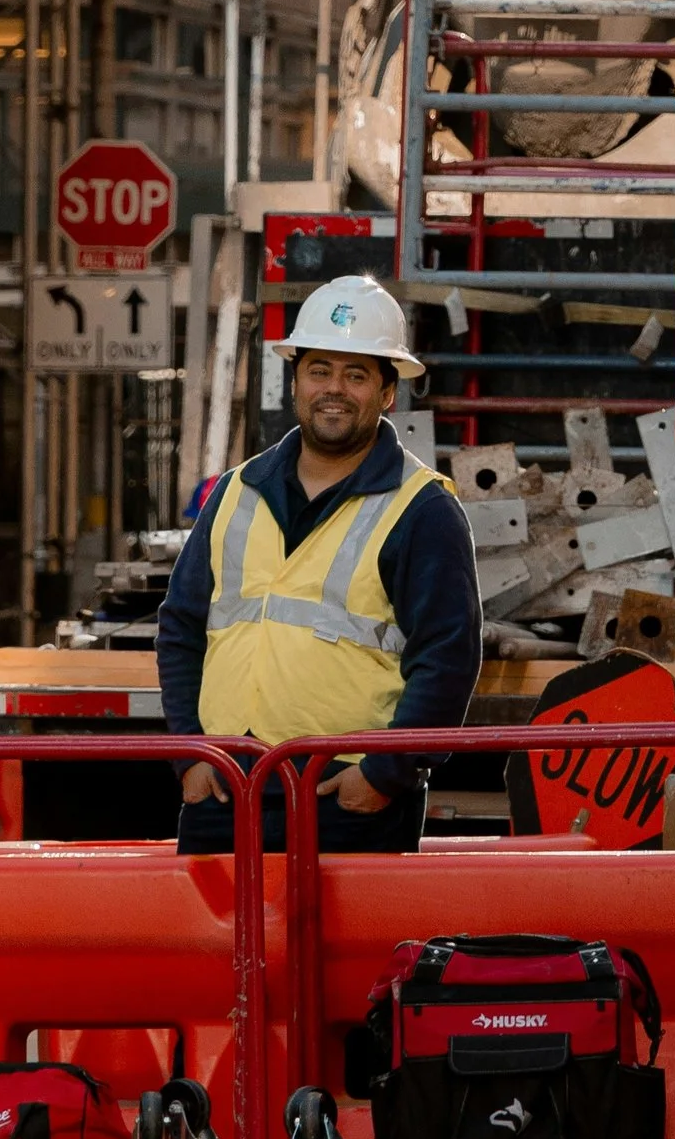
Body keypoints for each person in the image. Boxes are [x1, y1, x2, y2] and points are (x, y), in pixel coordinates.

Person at [156, 275, 480, 856]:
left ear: (387, 393)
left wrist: (383, 777)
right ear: (296, 378)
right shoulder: (235, 492)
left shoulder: (423, 508)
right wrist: (189, 756)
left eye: (357, 375)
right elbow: (181, 629)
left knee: (340, 950)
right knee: (215, 947)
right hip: (226, 786)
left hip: (342, 793)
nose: (335, 389)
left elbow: (448, 658)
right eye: (320, 369)